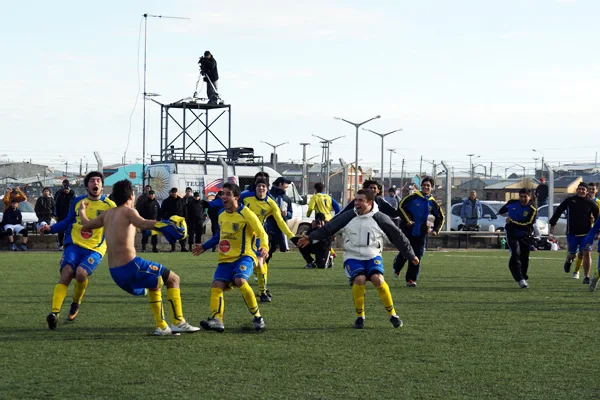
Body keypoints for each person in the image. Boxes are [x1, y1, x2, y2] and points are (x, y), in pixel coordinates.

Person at [78, 179, 199, 335]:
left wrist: (82, 210)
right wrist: (164, 224)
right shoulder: (129, 211)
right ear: (131, 196)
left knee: (155, 281)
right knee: (173, 279)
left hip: (115, 273)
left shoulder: (107, 214)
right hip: (131, 266)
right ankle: (178, 322)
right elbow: (142, 223)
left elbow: (86, 224)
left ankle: (161, 326)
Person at [298, 189, 418, 329]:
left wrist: (411, 255)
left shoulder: (380, 218)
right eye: (355, 200)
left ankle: (393, 315)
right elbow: (329, 228)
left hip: (373, 255)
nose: (356, 203)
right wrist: (311, 237)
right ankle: (360, 317)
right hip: (352, 256)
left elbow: (398, 237)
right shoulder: (348, 216)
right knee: (359, 279)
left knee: (378, 279)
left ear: (369, 203)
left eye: (360, 200)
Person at [40, 172, 116, 329]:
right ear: (87, 185)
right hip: (74, 245)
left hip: (95, 248)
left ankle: (76, 303)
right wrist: (50, 228)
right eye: (92, 181)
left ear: (102, 185)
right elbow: (68, 221)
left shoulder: (109, 206)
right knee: (66, 272)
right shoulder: (78, 202)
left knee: (81, 273)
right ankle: (54, 314)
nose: (95, 183)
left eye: (98, 181)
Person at [192, 182, 267, 333]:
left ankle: (257, 317)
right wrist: (204, 247)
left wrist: (264, 247)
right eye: (222, 194)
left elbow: (261, 232)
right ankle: (217, 320)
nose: (224, 197)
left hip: (244, 256)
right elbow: (219, 236)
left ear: (236, 197)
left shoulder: (246, 213)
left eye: (228, 194)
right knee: (217, 285)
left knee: (240, 280)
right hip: (225, 259)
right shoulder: (221, 214)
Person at [242, 177, 298, 303]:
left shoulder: (271, 204)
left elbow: (281, 222)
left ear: (267, 189)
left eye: (263, 186)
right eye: (259, 186)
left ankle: (263, 292)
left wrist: (291, 236)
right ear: (255, 187)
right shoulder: (245, 199)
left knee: (261, 262)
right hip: (244, 237)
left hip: (260, 237)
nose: (261, 188)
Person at [394, 176, 444, 287]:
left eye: (428, 186)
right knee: (405, 252)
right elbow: (401, 207)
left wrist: (436, 230)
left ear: (432, 188)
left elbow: (440, 217)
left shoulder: (432, 203)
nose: (426, 187)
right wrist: (408, 220)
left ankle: (411, 279)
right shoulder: (412, 197)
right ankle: (397, 267)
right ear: (421, 186)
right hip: (407, 230)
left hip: (421, 233)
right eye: (424, 185)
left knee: (417, 255)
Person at [550, 182, 599, 284]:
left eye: (583, 190)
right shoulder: (570, 200)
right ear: (577, 190)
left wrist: (597, 232)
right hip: (572, 233)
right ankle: (568, 261)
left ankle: (586, 277)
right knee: (572, 254)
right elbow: (559, 210)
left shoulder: (591, 203)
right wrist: (553, 223)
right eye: (579, 189)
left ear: (586, 192)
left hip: (586, 234)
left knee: (586, 253)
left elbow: (598, 219)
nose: (581, 191)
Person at [498, 189, 537, 288]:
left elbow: (528, 224)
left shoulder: (532, 208)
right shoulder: (512, 203)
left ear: (530, 197)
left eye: (525, 197)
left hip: (524, 234)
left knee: (524, 257)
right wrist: (507, 217)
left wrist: (512, 221)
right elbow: (501, 211)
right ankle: (520, 279)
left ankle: (523, 275)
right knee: (515, 253)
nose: (523, 199)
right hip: (512, 233)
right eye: (521, 196)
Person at [574, 182, 600, 278]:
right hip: (583, 230)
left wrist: (597, 231)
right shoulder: (582, 201)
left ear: (596, 191)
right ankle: (577, 270)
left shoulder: (598, 203)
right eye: (589, 189)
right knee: (580, 253)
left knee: (586, 252)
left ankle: (586, 275)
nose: (591, 191)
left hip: (593, 230)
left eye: (593, 189)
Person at [266, 177, 293, 265]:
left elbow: (290, 214)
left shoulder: (287, 199)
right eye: (286, 184)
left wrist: (286, 214)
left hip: (280, 225)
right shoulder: (269, 195)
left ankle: (266, 259)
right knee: (267, 242)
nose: (287, 186)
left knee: (274, 245)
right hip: (268, 223)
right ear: (280, 184)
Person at [161, 187, 188, 252]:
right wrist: (164, 219)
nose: (174, 194)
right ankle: (173, 248)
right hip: (171, 220)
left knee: (182, 232)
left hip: (180, 220)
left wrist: (186, 218)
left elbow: (185, 210)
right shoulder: (166, 201)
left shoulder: (181, 200)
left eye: (175, 192)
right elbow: (162, 211)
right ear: (170, 193)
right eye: (173, 192)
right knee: (172, 233)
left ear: (176, 192)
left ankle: (183, 247)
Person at [54, 185, 75, 250]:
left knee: (70, 231)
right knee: (61, 231)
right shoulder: (59, 197)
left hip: (70, 216)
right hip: (61, 216)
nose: (66, 190)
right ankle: (60, 244)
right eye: (65, 189)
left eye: (67, 189)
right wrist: (56, 215)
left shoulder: (73, 197)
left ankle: (69, 244)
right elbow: (56, 206)